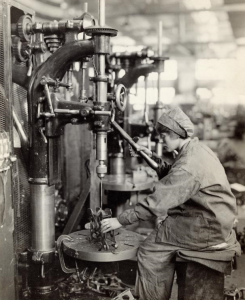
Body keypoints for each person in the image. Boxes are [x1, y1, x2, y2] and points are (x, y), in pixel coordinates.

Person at [101, 106, 241, 300]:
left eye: (164, 136)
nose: (162, 140)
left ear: (176, 134)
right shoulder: (196, 149)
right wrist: (149, 155)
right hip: (210, 217)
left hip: (205, 225)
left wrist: (121, 220)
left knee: (149, 251)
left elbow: (158, 201)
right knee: (161, 230)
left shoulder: (188, 165)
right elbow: (174, 174)